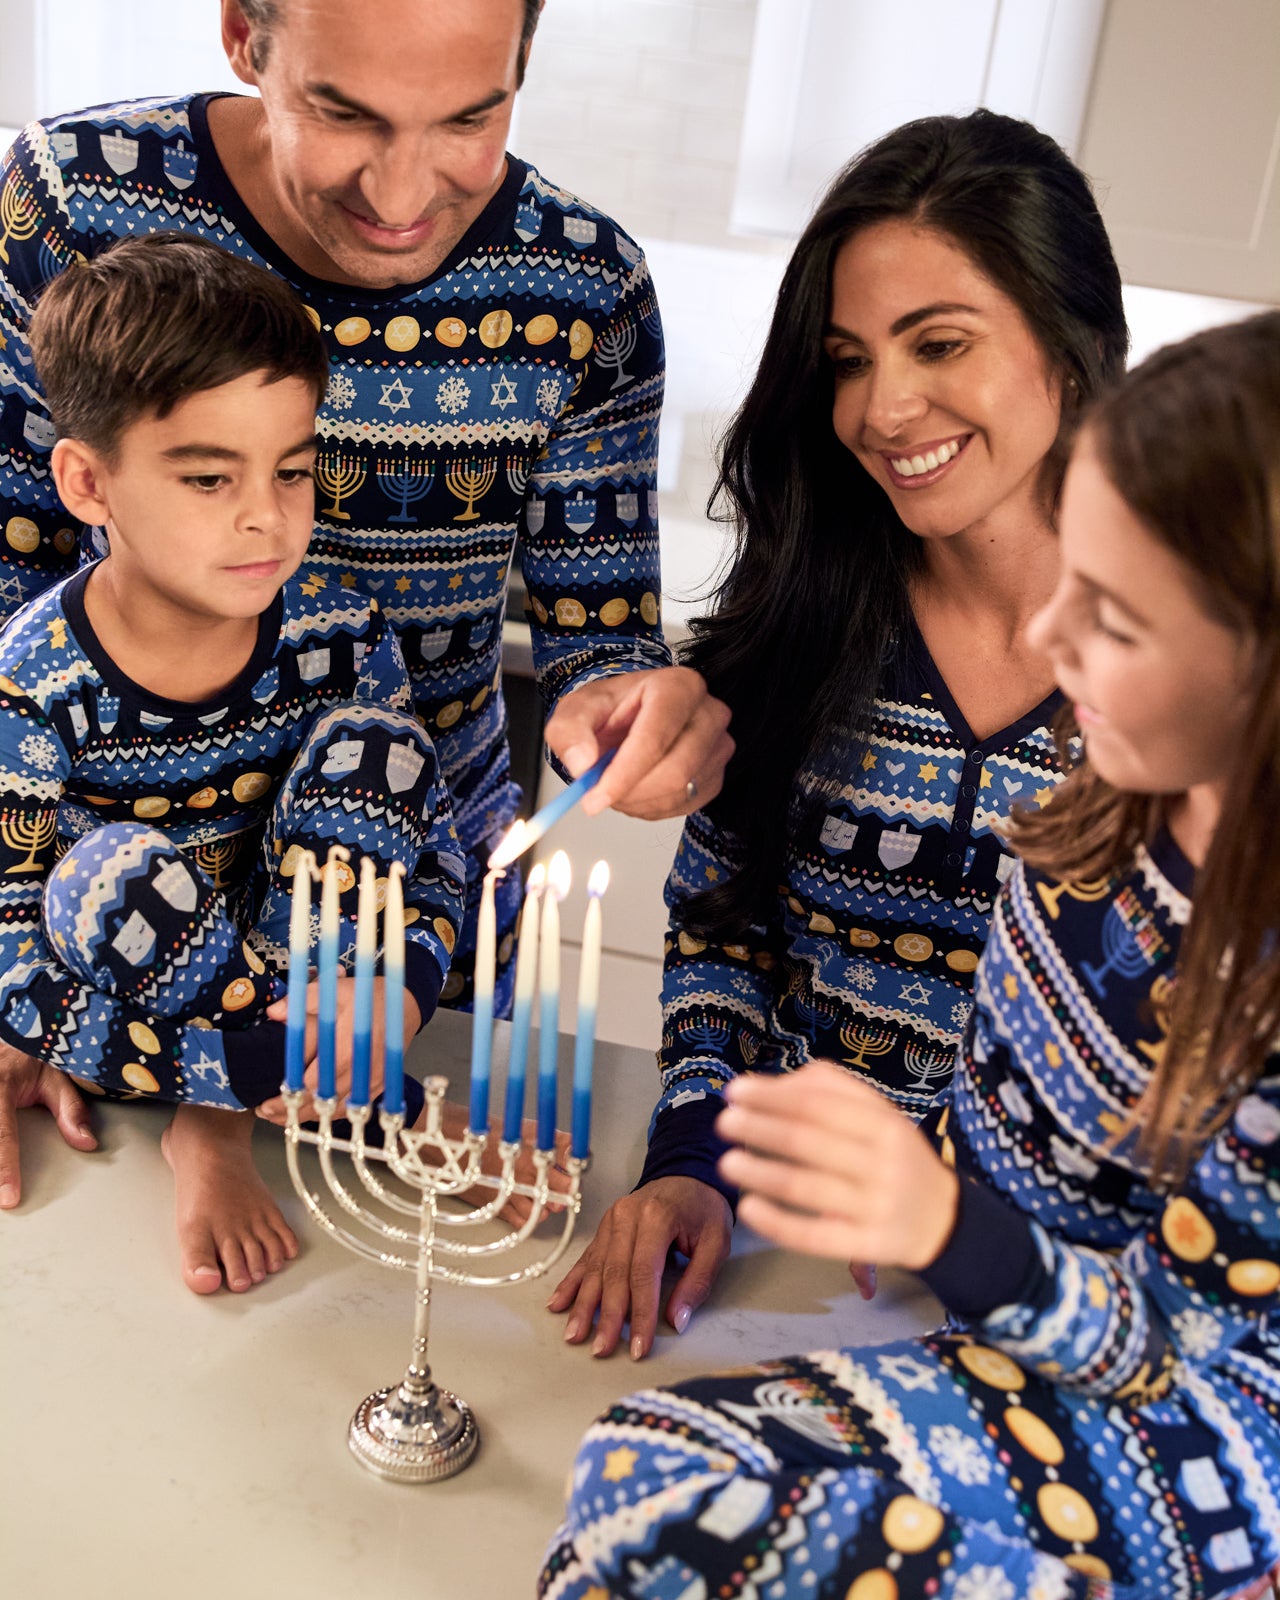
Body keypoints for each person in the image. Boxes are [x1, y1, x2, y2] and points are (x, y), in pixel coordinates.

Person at [541, 310, 1280, 1600]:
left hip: (1205, 1446)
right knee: (635, 1461)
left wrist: (944, 1226)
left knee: (703, 1548)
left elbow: (1184, 1356)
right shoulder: (1086, 823)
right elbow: (1016, 1114)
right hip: (1007, 1342)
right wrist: (917, 1183)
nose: (1050, 645)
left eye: (1111, 618)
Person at [0, 0, 733, 1016]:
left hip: (416, 923)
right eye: (344, 116)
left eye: (471, 120)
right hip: (102, 926)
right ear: (241, 41)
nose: (399, 194)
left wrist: (627, 715)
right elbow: (9, 585)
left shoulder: (584, 285)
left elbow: (601, 645)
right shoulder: (75, 201)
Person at [550, 111, 1128, 1358]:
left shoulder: (1193, 673)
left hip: (1065, 1301)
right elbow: (721, 932)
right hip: (782, 1267)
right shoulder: (802, 625)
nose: (882, 406)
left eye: (940, 343)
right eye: (848, 358)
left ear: (1070, 352)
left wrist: (966, 1215)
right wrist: (691, 1160)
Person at [0, 233, 465, 1294]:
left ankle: (281, 1084)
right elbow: (11, 964)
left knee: (377, 750)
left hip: (310, 983)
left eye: (292, 469)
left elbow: (430, 852)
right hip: (145, 1005)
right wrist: (233, 1072)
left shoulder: (342, 631)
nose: (269, 513)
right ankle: (214, 1124)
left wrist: (397, 988)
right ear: (88, 481)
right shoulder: (27, 686)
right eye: (210, 477)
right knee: (107, 870)